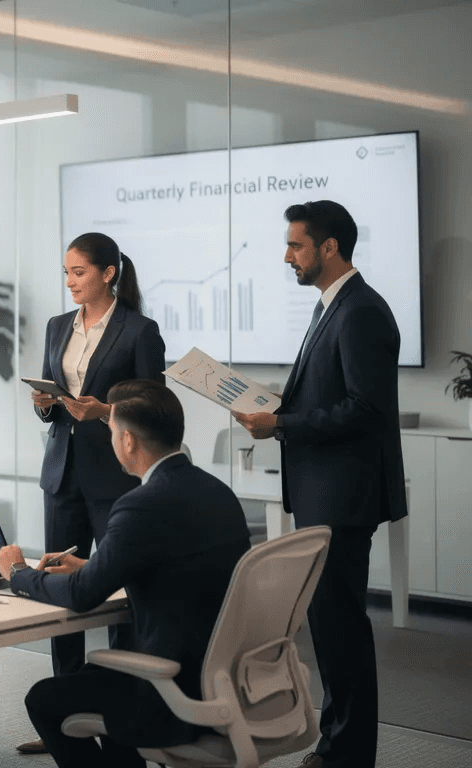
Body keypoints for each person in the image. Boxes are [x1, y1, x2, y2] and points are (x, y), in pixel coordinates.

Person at [0, 379, 250, 767]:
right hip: (225, 675)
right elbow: (179, 565)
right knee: (100, 672)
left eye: (112, 432)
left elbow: (81, 596)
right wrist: (98, 565)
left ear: (128, 441)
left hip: (173, 686)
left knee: (44, 699)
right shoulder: (217, 491)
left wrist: (18, 572)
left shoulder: (139, 505)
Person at [234, 200, 405, 768]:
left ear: (329, 248)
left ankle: (347, 754)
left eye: (295, 246)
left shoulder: (360, 311)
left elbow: (365, 409)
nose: (287, 257)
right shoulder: (332, 307)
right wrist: (274, 407)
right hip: (326, 492)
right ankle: (338, 747)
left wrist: (281, 423)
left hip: (344, 496)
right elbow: (333, 397)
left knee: (341, 629)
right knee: (331, 627)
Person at [22, 232, 166, 754]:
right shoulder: (59, 325)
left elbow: (152, 406)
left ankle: (119, 714)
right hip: (61, 472)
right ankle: (64, 713)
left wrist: (103, 411)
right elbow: (50, 398)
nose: (69, 282)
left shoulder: (138, 330)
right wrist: (45, 403)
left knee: (120, 593)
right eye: (66, 273)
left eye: (79, 272)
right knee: (62, 591)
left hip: (114, 475)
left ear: (108, 273)